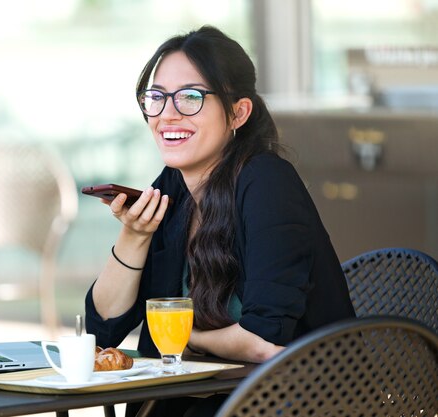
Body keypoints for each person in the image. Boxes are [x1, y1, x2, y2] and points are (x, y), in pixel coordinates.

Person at [85, 25, 356, 416]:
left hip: (288, 403)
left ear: (238, 112)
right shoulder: (172, 188)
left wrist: (185, 337)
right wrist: (134, 235)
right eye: (156, 97)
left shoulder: (266, 182)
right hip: (201, 401)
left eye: (191, 97)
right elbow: (103, 330)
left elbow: (267, 342)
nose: (167, 114)